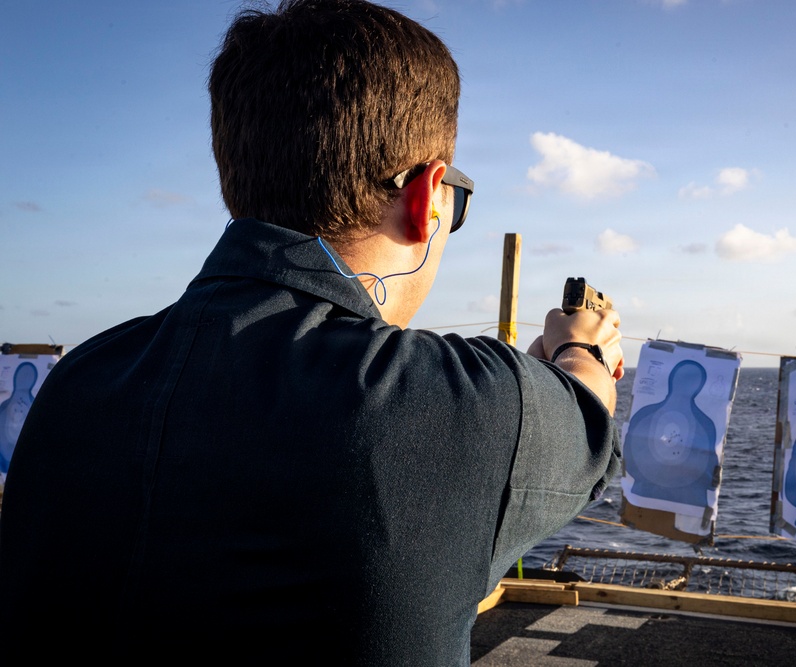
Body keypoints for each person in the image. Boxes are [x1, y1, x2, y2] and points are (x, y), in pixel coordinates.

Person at [0, 0, 623, 663]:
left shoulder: (76, 386)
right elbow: (586, 409)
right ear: (424, 197)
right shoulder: (463, 406)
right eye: (454, 204)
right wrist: (577, 344)